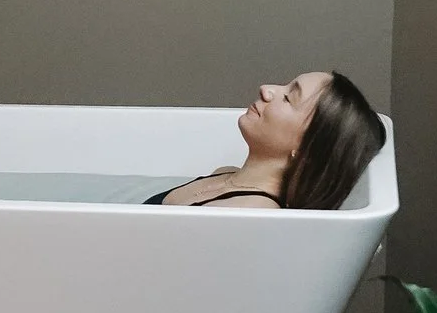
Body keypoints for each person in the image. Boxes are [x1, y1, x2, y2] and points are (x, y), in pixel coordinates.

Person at [147, 71, 386, 210]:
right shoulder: (226, 175)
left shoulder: (254, 210)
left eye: (288, 98)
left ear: (307, 148)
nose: (266, 89)